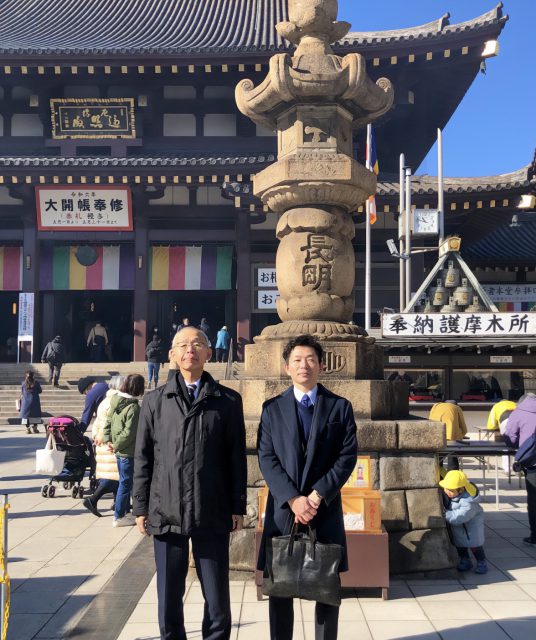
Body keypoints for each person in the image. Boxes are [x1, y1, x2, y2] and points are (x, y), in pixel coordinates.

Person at [133, 326, 247, 640]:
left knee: (217, 595)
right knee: (169, 595)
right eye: (182, 344)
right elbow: (143, 458)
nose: (190, 350)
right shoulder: (156, 400)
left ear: (209, 353)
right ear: (171, 355)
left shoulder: (226, 401)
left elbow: (236, 458)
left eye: (197, 344)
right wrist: (140, 506)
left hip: (211, 510)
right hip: (166, 511)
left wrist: (238, 505)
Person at [257, 334, 358, 640]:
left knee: (326, 589)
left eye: (311, 359)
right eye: (297, 360)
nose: (304, 366)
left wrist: (314, 497)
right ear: (287, 367)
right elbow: (267, 457)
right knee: (280, 589)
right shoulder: (272, 408)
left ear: (322, 366)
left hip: (323, 509)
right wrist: (292, 499)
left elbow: (346, 456)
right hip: (283, 513)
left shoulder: (339, 407)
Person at [103, 374, 145, 527]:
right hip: (128, 451)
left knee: (124, 482)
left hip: (119, 451)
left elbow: (108, 421)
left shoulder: (116, 401)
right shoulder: (133, 408)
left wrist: (108, 439)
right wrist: (116, 444)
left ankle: (124, 512)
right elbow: (129, 432)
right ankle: (119, 515)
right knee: (126, 484)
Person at [83, 375, 126, 517]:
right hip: (109, 444)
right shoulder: (115, 401)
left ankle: (117, 503)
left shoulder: (105, 400)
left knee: (116, 476)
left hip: (102, 442)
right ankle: (92, 500)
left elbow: (95, 421)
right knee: (114, 477)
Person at [439, 470, 488, 574]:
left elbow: (461, 515)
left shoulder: (468, 501)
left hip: (471, 529)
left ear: (461, 490)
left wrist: (446, 515)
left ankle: (481, 562)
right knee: (460, 546)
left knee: (475, 546)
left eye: (451, 490)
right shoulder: (454, 496)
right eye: (446, 489)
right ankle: (465, 561)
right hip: (460, 528)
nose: (448, 492)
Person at [504, 393, 536, 546]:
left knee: (534, 499)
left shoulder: (518, 413)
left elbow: (510, 438)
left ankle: (535, 536)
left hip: (532, 462)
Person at [429, 400, 468, 470]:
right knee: (452, 456)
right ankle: (452, 477)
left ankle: (439, 477)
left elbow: (429, 421)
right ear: (456, 405)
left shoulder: (435, 406)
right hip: (451, 438)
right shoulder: (457, 408)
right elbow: (464, 428)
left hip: (435, 435)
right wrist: (461, 435)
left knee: (438, 457)